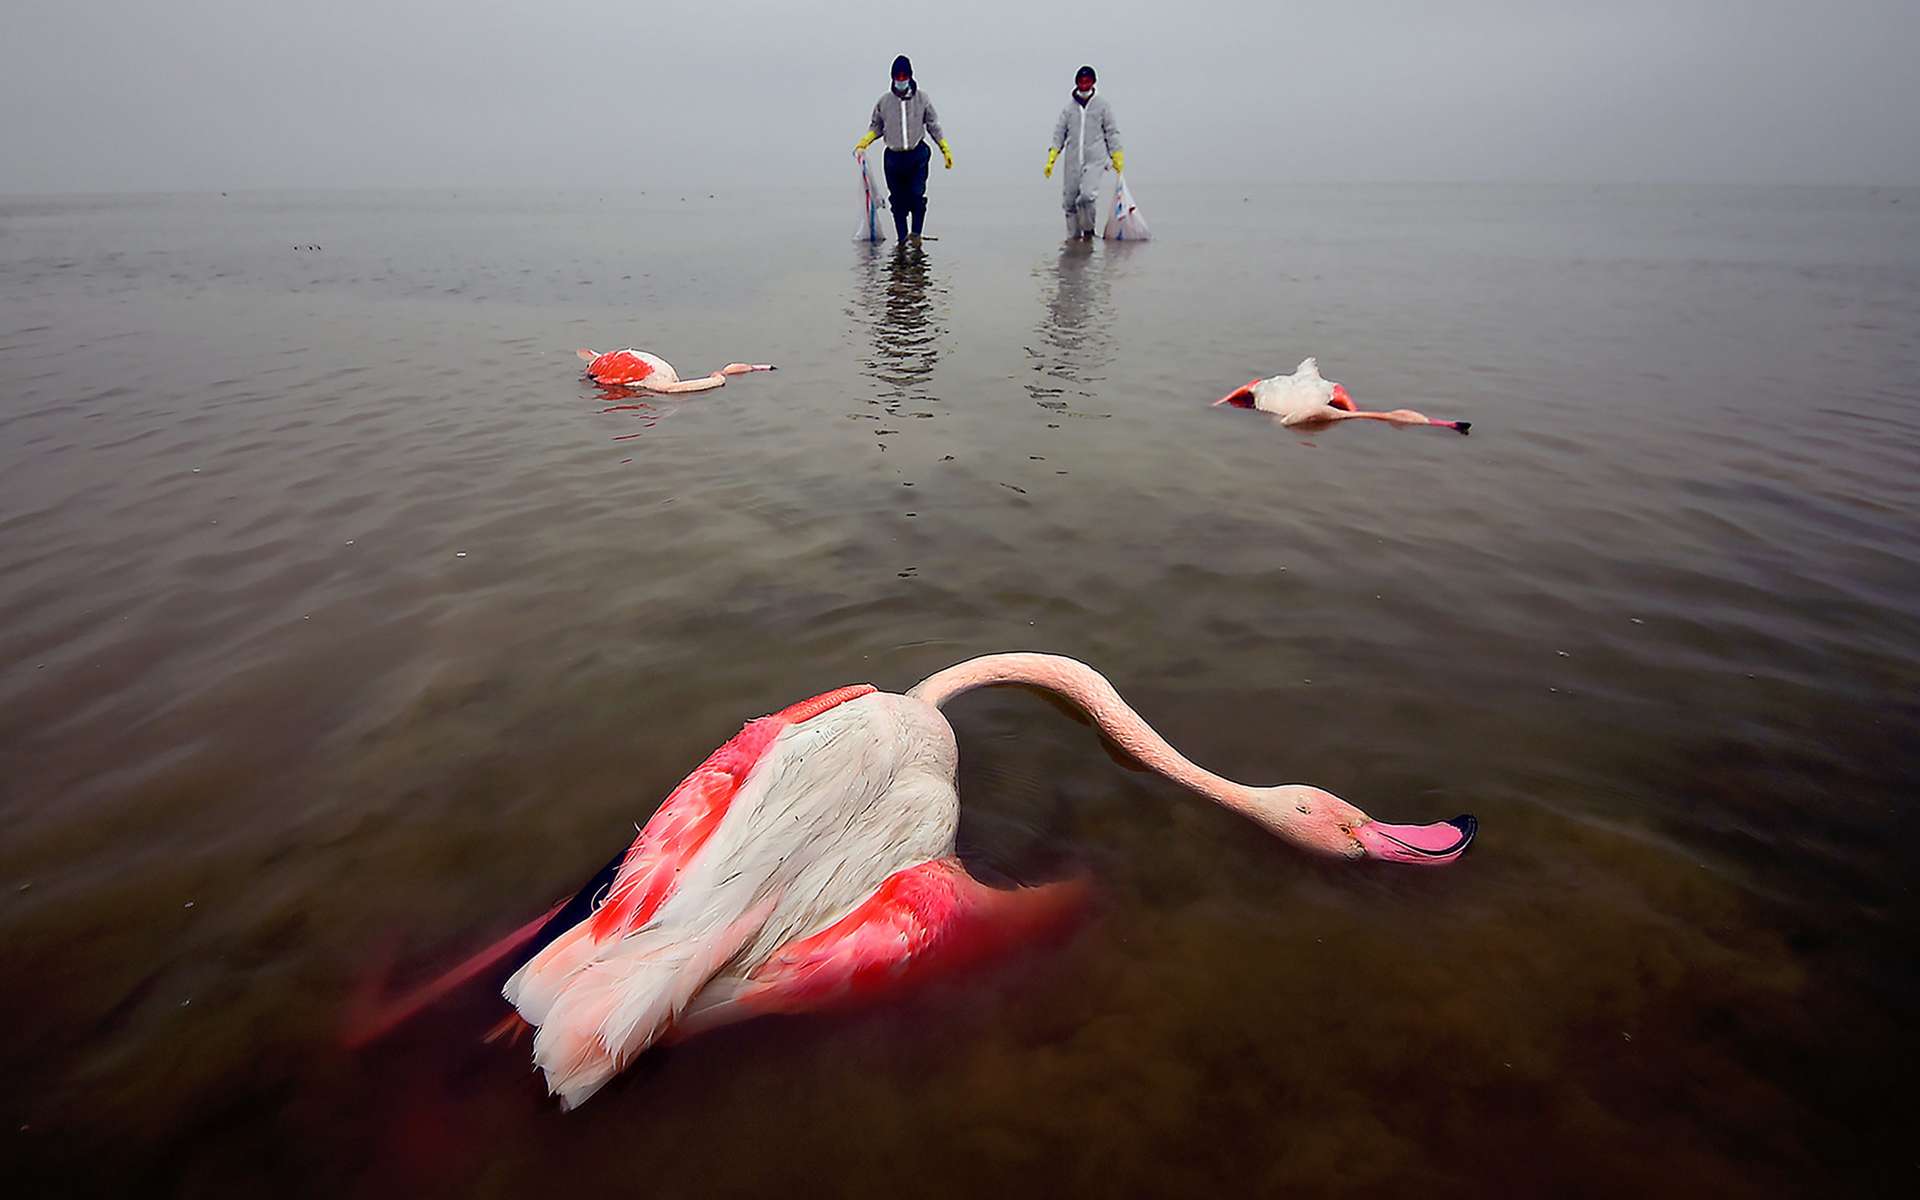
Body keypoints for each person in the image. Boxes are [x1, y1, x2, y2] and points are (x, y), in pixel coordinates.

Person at [855, 55, 953, 245]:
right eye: (897, 77)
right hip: (893, 158)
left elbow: (933, 124)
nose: (901, 80)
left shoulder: (922, 99)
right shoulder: (884, 102)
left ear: (910, 76)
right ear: (892, 78)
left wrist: (944, 148)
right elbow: (876, 126)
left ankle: (915, 236)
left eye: (904, 76)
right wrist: (864, 141)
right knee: (898, 202)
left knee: (916, 195)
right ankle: (901, 240)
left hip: (917, 154)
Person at [1045, 65, 1123, 240]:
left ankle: (1088, 231)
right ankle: (1073, 242)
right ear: (1077, 82)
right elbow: (1060, 133)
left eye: (1088, 80)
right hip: (1073, 161)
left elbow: (1111, 131)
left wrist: (1116, 155)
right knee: (1070, 202)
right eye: (1081, 80)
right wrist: (1053, 155)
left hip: (1095, 159)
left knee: (1087, 197)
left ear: (1093, 82)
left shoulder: (1102, 106)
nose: (1084, 84)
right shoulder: (1069, 109)